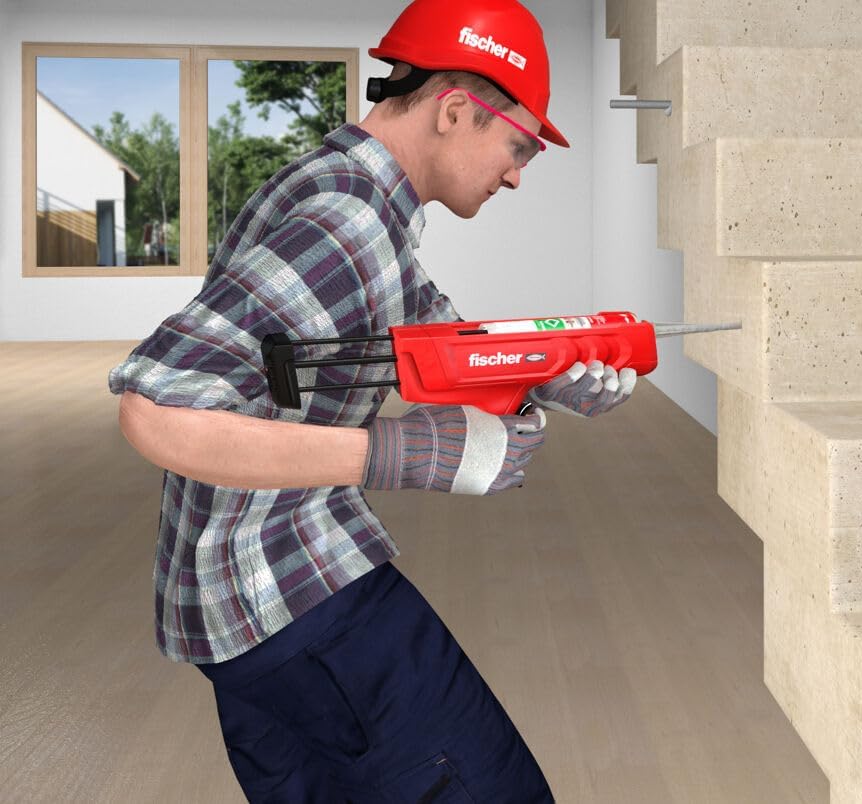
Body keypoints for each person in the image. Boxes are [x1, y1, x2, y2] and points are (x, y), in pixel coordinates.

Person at [110, 1, 636, 800]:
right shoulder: (346, 220)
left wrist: (547, 372)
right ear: (456, 110)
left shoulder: (352, 192)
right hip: (288, 593)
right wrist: (401, 453)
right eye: (517, 146)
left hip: (235, 609)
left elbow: (434, 338)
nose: (517, 174)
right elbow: (156, 408)